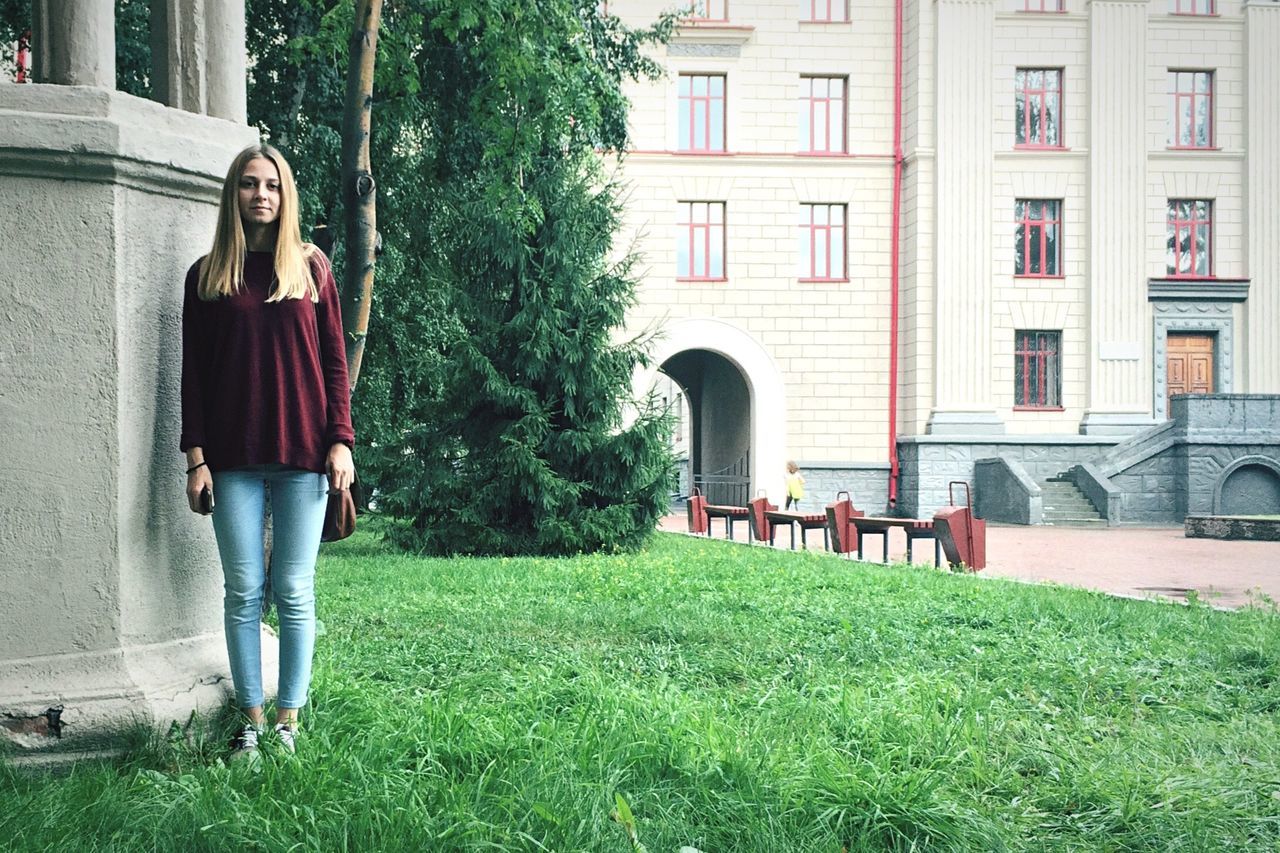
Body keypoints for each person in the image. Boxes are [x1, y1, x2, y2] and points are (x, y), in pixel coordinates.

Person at [181, 143, 355, 761]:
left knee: (294, 589)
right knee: (243, 590)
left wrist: (341, 440)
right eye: (250, 184)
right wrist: (196, 457)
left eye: (273, 185)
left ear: (286, 197)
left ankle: (288, 721)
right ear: (233, 195)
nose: (262, 194)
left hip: (304, 454)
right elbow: (193, 375)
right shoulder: (206, 276)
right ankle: (250, 721)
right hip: (231, 460)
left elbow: (335, 362)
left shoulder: (312, 269)